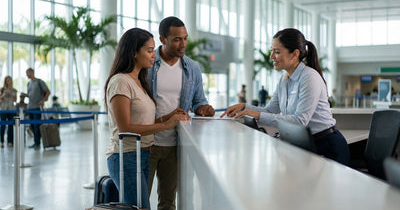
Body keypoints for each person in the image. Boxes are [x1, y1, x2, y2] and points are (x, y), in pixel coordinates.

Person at [221, 28, 350, 166]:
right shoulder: (284, 79)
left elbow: (300, 121)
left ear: (295, 54)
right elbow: (271, 111)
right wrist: (245, 107)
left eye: (277, 52)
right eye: (272, 51)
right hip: (306, 146)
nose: (271, 56)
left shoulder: (309, 77)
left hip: (327, 147)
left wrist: (257, 115)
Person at [104, 27, 190, 208]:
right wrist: (167, 125)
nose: (154, 55)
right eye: (149, 51)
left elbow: (144, 123)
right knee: (140, 207)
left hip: (142, 154)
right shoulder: (121, 81)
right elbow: (126, 128)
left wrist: (169, 116)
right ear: (134, 52)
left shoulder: (139, 81)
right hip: (125, 156)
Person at [147, 16, 215, 210]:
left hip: (176, 144)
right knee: (141, 201)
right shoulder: (149, 65)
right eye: (177, 39)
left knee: (168, 202)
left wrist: (204, 108)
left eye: (185, 38)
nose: (183, 44)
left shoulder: (192, 67)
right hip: (148, 142)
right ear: (162, 39)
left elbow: (198, 101)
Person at [21, 68, 50, 150]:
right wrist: (25, 95)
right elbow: (30, 95)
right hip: (30, 107)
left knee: (37, 126)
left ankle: (37, 143)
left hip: (37, 107)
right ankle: (35, 142)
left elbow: (48, 91)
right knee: (32, 126)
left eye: (28, 73)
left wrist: (43, 100)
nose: (27, 75)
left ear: (32, 73)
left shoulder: (39, 82)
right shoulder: (28, 83)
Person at [0, 76, 17, 148]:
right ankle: (2, 142)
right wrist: (3, 95)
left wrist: (13, 96)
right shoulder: (2, 89)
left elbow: (15, 100)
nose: (8, 81)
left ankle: (10, 141)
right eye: (7, 80)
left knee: (11, 126)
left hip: (11, 109)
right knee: (2, 126)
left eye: (10, 80)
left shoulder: (14, 90)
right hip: (3, 109)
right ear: (5, 81)